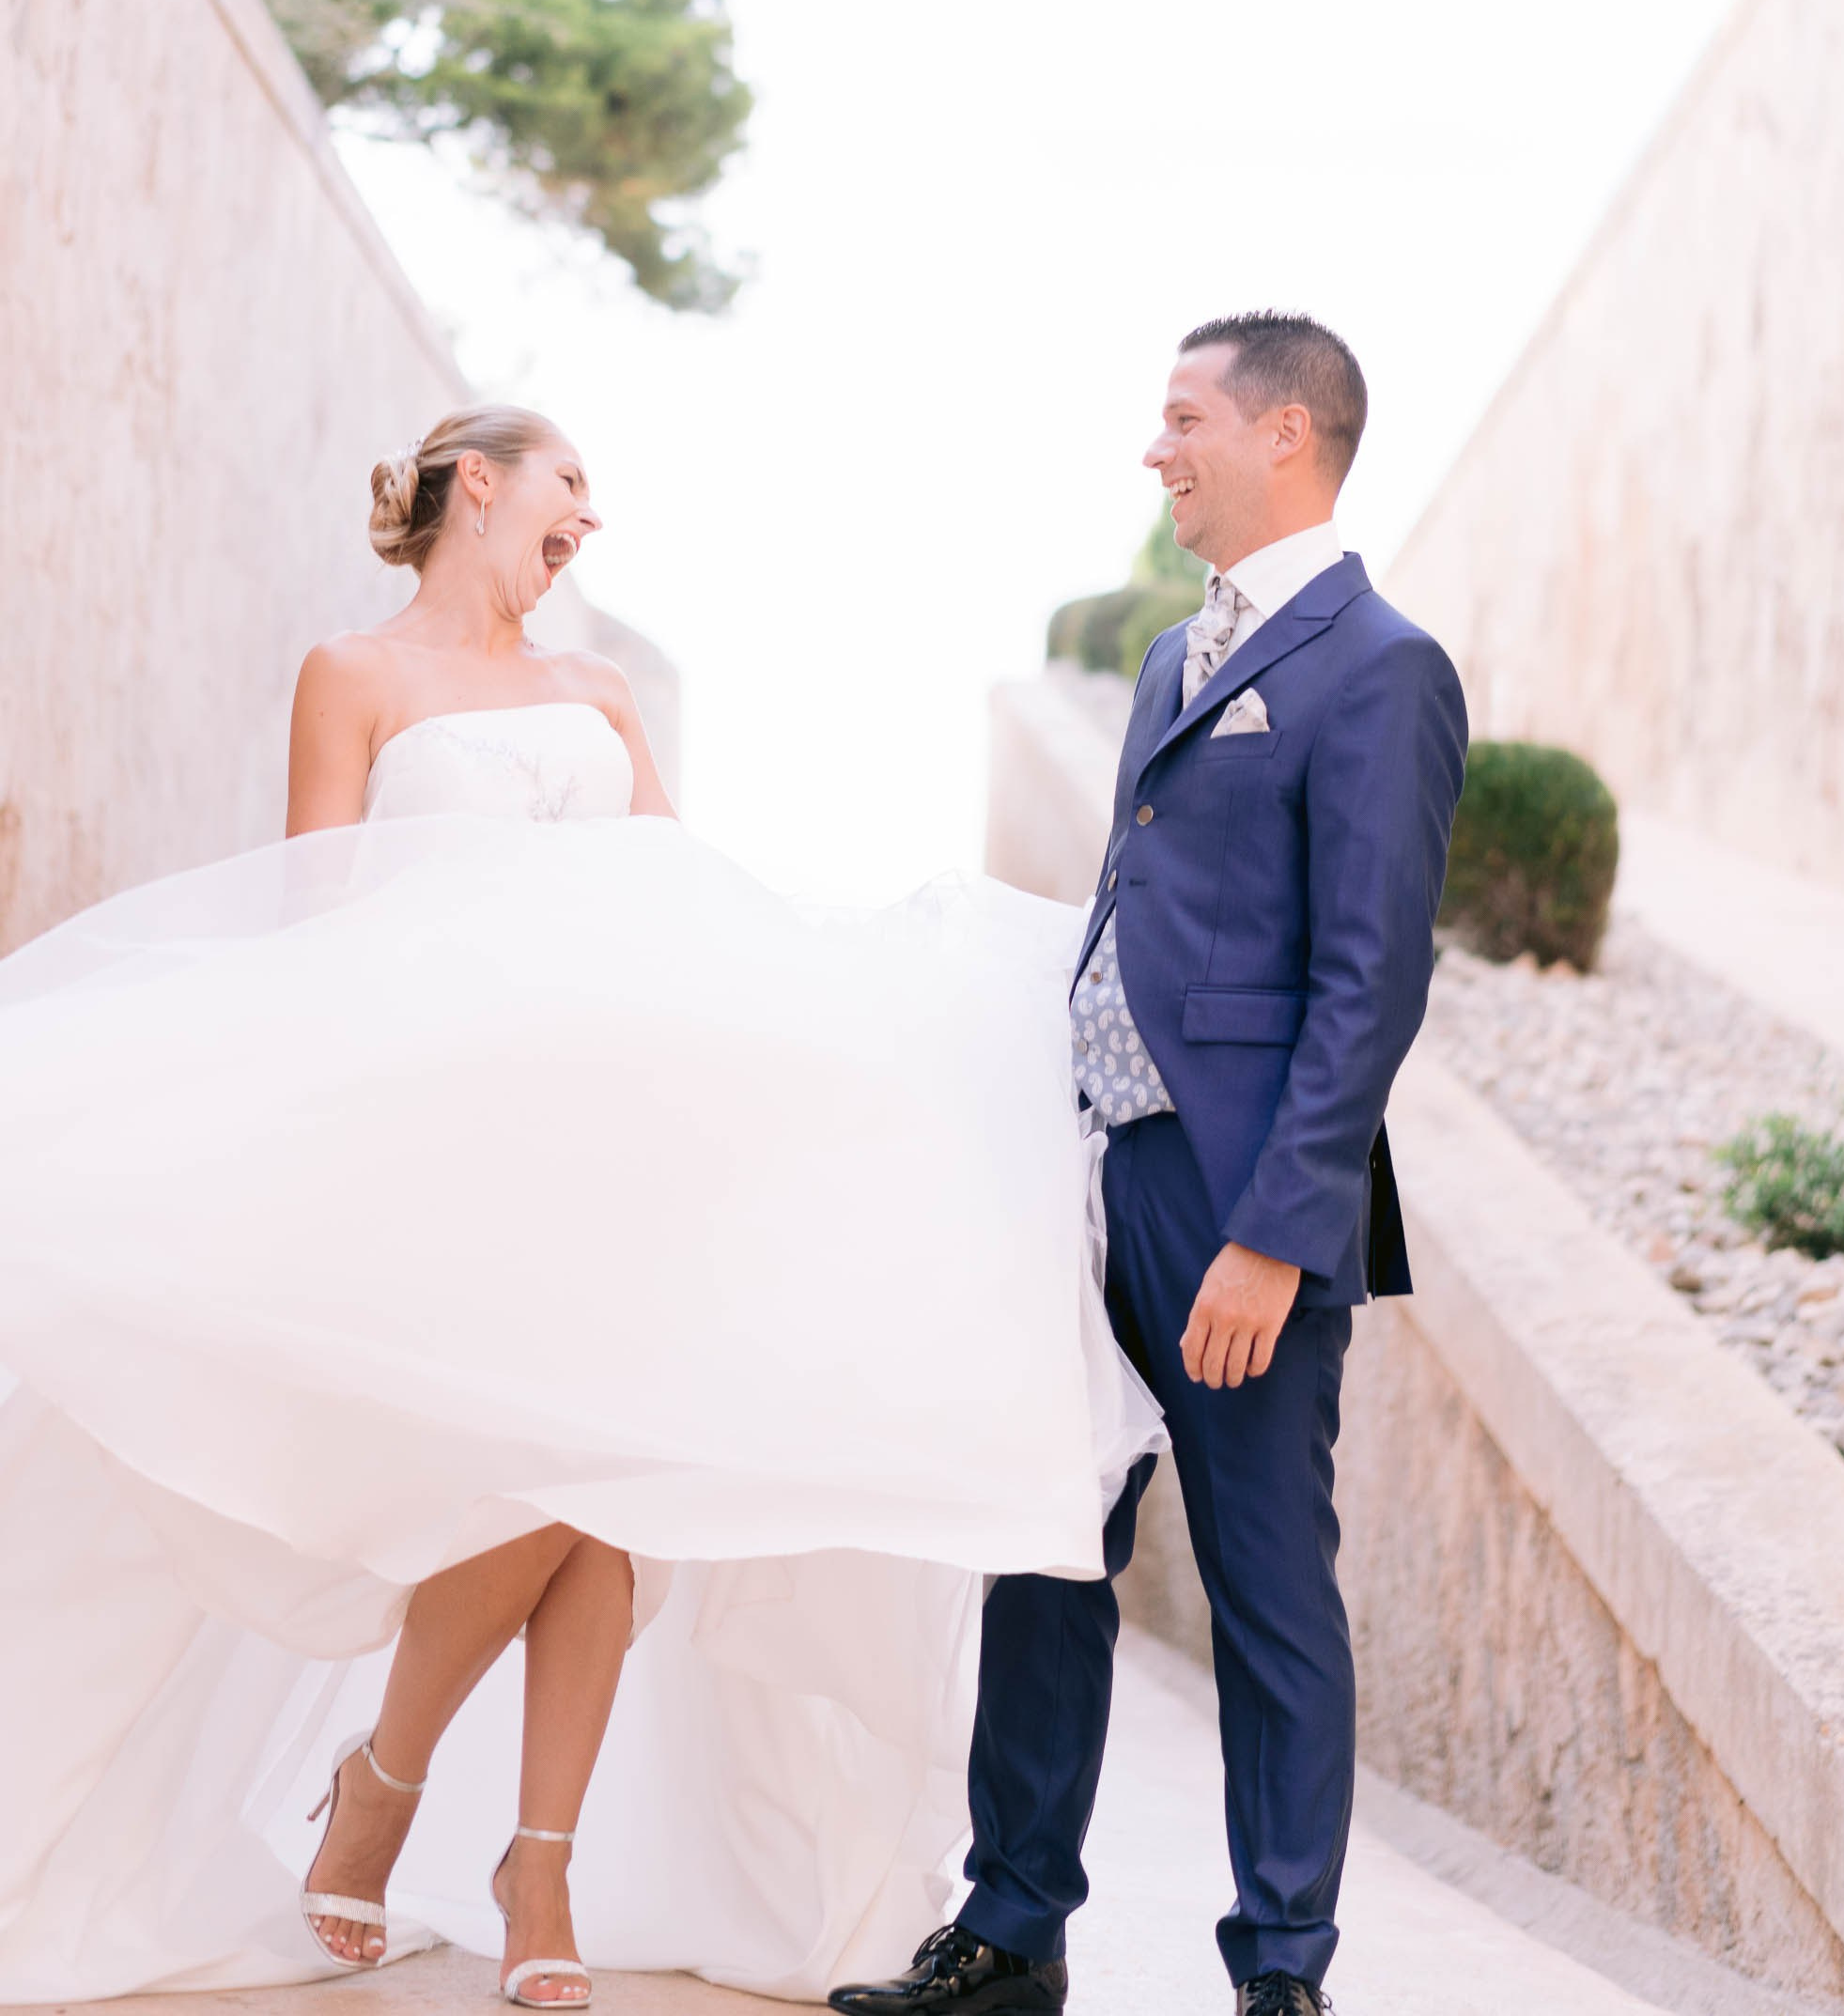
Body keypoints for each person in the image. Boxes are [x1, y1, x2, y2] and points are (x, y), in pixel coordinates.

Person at [0, 406, 1156, 2008]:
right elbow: (312, 910)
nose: (588, 523)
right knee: (526, 1485)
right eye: (570, 488)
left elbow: (687, 908)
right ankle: (389, 1795)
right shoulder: (356, 675)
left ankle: (530, 1862)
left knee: (616, 1481)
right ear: (480, 482)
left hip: (619, 1160)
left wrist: (851, 987)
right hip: (446, 1145)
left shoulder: (598, 694)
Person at [829, 313, 1468, 2016]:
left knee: (1266, 1591)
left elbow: (1370, 978)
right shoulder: (1184, 659)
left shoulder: (1382, 663)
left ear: (1287, 436)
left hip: (1240, 1200)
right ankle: (1011, 1929)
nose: (1156, 447)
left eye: (1184, 415)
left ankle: (1280, 1977)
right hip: (1095, 1180)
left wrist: (1275, 1231)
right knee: (1045, 1551)